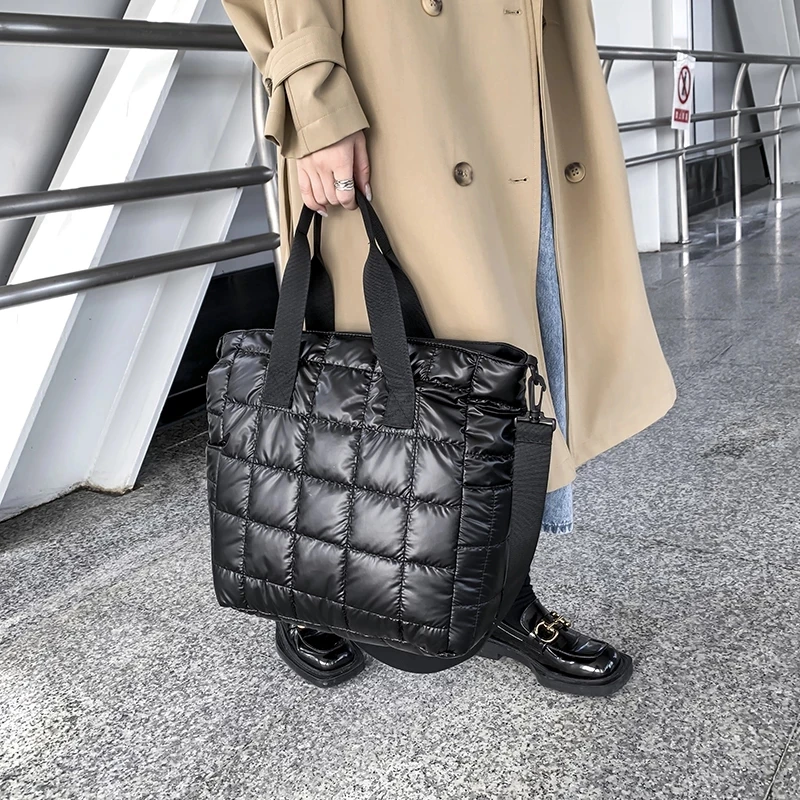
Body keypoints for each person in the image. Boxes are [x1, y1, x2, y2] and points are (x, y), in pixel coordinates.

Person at [220, 0, 676, 695]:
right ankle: (311, 579)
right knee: (361, 343)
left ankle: (497, 591)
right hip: (389, 66)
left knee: (510, 346)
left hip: (511, 60)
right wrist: (315, 101)